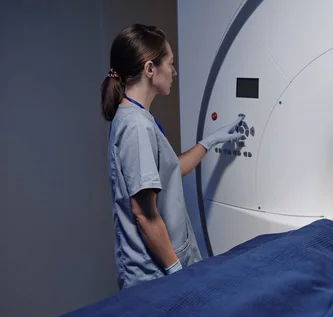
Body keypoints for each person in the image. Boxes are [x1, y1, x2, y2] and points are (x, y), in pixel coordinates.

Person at [101, 24, 244, 290]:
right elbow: (143, 214)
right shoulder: (136, 127)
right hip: (154, 274)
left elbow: (169, 169)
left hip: (163, 266)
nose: (174, 71)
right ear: (149, 69)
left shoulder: (136, 117)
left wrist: (209, 141)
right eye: (170, 63)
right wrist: (176, 271)